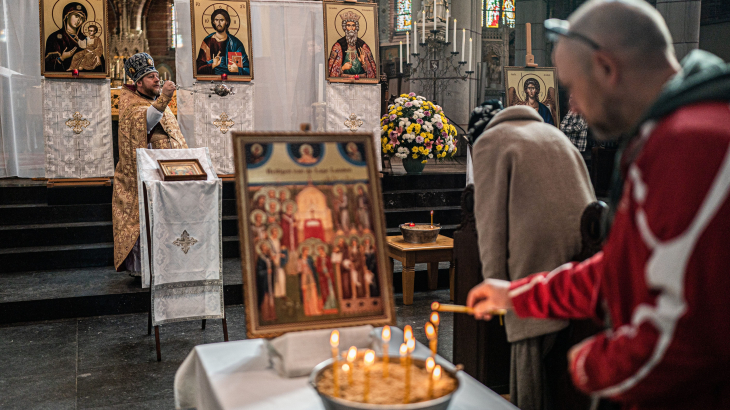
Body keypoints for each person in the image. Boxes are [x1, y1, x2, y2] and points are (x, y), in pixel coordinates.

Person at [467, 1, 730, 409]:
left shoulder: (694, 142)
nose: (570, 107)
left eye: (572, 88)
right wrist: (516, 296)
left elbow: (684, 336)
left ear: (607, 69)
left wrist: (591, 366)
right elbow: (621, 269)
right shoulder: (665, 134)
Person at [467, 99, 596, 410]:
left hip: (535, 263)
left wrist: (495, 286)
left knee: (533, 364)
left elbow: (490, 223)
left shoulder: (490, 142)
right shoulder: (554, 134)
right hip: (583, 260)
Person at [112, 53, 188, 276]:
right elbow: (147, 121)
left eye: (157, 75)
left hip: (168, 173)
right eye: (151, 77)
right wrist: (164, 97)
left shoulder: (153, 101)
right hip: (148, 176)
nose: (157, 79)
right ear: (138, 83)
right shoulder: (132, 104)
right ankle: (147, 268)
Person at [44, 2, 105, 73]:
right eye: (76, 16)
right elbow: (47, 66)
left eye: (82, 18)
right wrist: (62, 58)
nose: (79, 20)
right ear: (67, 15)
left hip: (85, 80)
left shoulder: (87, 38)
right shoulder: (54, 38)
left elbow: (101, 67)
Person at [196, 8, 249, 76]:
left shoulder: (235, 43)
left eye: (222, 20)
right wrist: (212, 65)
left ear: (226, 22)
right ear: (213, 22)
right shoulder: (207, 42)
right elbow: (198, 69)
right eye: (216, 20)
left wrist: (238, 69)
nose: (219, 23)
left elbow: (247, 70)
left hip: (232, 82)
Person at [327, 11, 377, 79]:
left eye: (353, 25)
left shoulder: (363, 46)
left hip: (361, 81)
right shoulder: (338, 46)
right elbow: (330, 72)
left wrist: (363, 62)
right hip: (343, 82)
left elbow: (372, 73)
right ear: (345, 27)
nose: (351, 28)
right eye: (348, 25)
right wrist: (343, 68)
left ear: (356, 27)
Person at [297, 246, 323, 316]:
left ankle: (314, 309)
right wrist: (303, 267)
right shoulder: (300, 260)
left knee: (313, 292)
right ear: (303, 252)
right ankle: (308, 311)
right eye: (305, 251)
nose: (307, 253)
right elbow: (299, 270)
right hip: (304, 278)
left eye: (307, 251)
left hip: (310, 277)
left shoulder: (309, 259)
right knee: (306, 294)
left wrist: (313, 267)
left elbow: (313, 267)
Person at [256, 241, 277, 322]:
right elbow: (259, 271)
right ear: (261, 249)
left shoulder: (268, 257)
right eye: (264, 247)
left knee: (271, 297)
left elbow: (272, 267)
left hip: (270, 281)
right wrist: (266, 272)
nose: (266, 248)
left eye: (266, 246)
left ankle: (272, 315)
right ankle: (266, 316)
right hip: (264, 282)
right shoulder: (260, 258)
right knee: (265, 298)